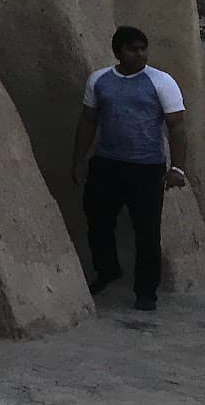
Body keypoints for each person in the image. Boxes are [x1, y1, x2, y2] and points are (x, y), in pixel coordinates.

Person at [71, 25, 189, 311]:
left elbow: (177, 126)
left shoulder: (161, 81)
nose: (140, 54)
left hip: (146, 168)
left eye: (143, 48)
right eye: (132, 49)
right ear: (118, 52)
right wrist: (78, 159)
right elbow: (88, 120)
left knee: (147, 233)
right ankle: (108, 270)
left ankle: (146, 291)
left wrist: (178, 169)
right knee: (97, 221)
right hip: (106, 164)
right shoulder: (99, 80)